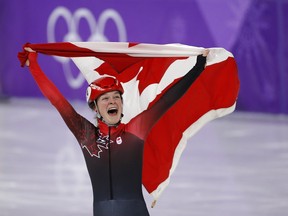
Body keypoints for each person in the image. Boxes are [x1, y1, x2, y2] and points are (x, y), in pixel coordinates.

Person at [23, 48, 209, 216]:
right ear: (95, 108)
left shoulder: (136, 129)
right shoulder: (86, 136)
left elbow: (167, 100)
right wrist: (34, 65)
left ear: (121, 104)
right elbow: (58, 102)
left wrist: (198, 67)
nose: (112, 102)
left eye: (116, 97)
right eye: (105, 98)